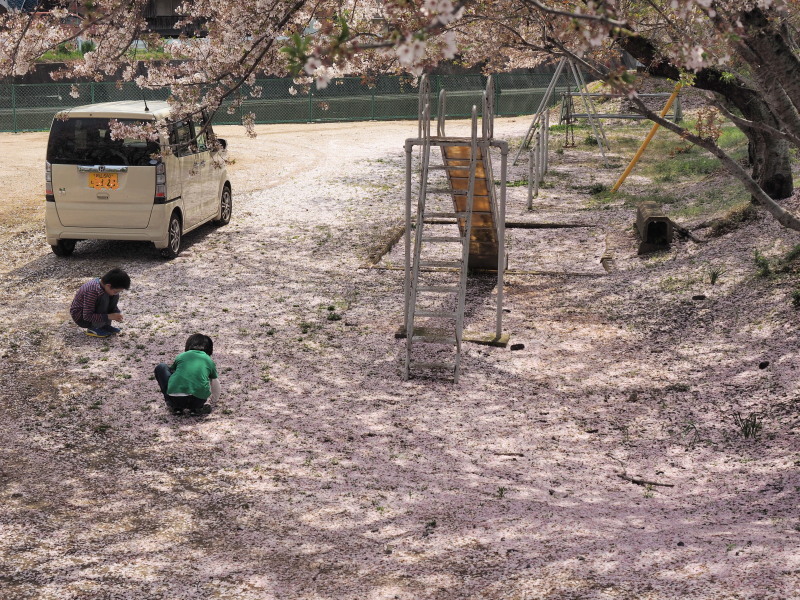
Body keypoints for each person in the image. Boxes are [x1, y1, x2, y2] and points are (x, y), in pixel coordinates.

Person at [155, 334, 220, 415]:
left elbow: (173, 373)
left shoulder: (181, 356)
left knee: (161, 367)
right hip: (198, 400)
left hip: (176, 399)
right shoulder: (209, 360)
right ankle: (196, 409)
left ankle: (174, 406)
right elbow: (215, 382)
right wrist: (214, 400)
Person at [70, 268, 130, 338]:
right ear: (108, 286)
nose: (116, 293)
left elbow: (111, 303)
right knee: (104, 296)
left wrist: (116, 312)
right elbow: (87, 316)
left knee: (113, 295)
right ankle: (94, 328)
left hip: (92, 313)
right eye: (116, 291)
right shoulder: (93, 290)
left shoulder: (104, 287)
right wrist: (109, 316)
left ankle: (104, 325)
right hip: (82, 318)